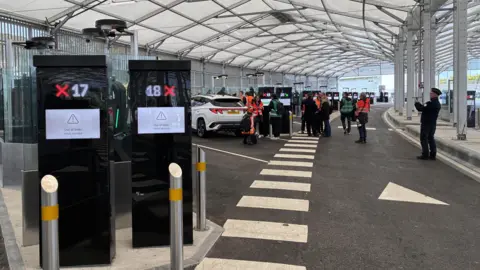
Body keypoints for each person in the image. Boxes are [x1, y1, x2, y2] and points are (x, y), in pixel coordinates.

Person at [414, 88, 442, 160]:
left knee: (424, 138)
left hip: (426, 124)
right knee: (431, 138)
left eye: (431, 93)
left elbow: (421, 108)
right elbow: (424, 108)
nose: (430, 94)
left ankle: (425, 154)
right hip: (432, 124)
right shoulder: (437, 104)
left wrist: (416, 103)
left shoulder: (431, 104)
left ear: (434, 94)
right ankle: (433, 154)